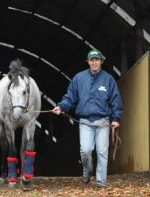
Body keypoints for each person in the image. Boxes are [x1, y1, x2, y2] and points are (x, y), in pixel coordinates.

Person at [52, 49, 123, 187]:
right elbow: (70, 97)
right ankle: (87, 169)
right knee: (86, 150)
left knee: (102, 152)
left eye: (97, 60)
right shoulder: (79, 78)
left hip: (103, 122)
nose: (94, 62)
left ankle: (101, 182)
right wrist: (61, 107)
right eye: (92, 60)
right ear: (88, 62)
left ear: (101, 61)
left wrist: (116, 119)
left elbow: (116, 100)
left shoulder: (108, 80)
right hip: (85, 122)